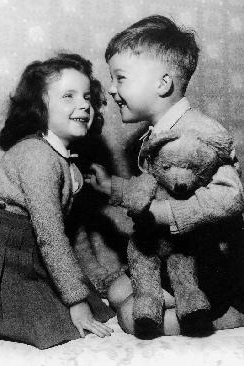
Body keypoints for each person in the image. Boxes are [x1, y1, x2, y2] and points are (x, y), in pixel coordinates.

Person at [85, 15, 244, 338]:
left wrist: (165, 214)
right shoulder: (159, 133)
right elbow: (153, 188)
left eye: (121, 78)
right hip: (169, 252)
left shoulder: (199, 133)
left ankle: (224, 314)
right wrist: (111, 187)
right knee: (116, 293)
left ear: (163, 84)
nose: (112, 90)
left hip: (203, 266)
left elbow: (231, 198)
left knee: (130, 318)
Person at [0, 53, 115, 349]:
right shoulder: (37, 157)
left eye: (87, 97)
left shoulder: (66, 161)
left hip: (29, 241)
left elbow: (69, 231)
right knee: (49, 323)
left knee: (91, 308)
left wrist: (92, 281)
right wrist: (76, 301)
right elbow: (51, 236)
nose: (84, 104)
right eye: (68, 96)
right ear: (39, 108)